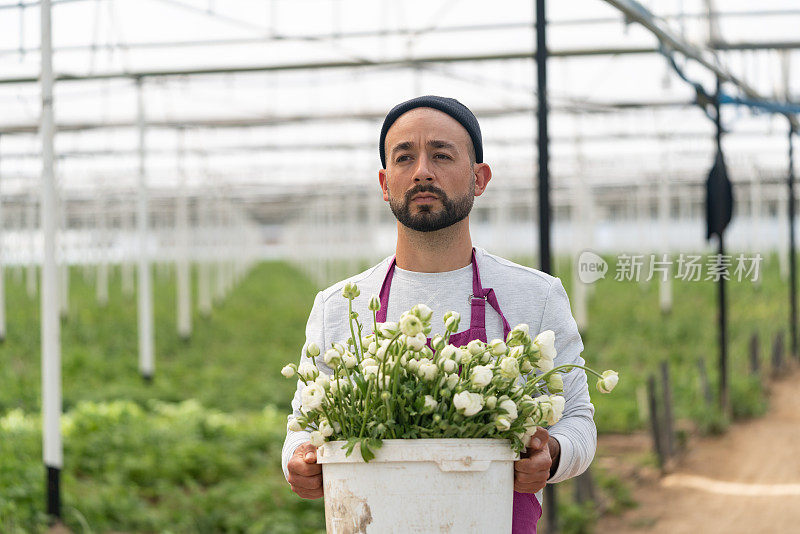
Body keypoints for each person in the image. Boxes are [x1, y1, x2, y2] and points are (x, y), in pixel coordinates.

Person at [282, 95, 596, 533]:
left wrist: (554, 453)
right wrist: (299, 461)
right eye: (404, 157)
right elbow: (301, 427)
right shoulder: (341, 305)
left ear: (479, 178)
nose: (422, 170)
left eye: (442, 155)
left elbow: (578, 421)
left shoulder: (535, 295)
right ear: (385, 183)